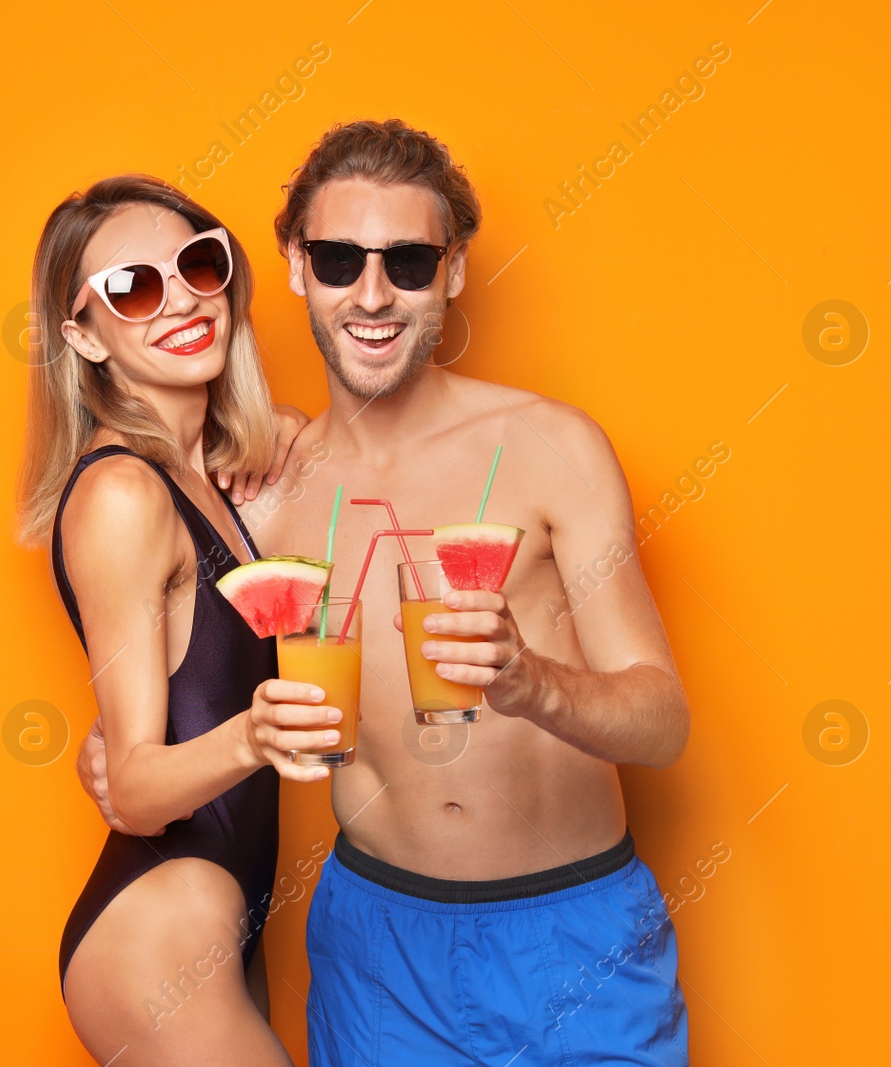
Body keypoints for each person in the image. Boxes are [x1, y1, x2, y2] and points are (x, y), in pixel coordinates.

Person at [78, 121, 693, 1065]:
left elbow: (663, 722)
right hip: (378, 952)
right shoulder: (265, 489)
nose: (372, 294)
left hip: (575, 934)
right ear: (294, 267)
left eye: (408, 261)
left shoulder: (553, 449)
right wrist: (119, 755)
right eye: (337, 258)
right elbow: (176, 663)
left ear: (450, 271)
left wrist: (534, 682)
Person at [16, 174, 341, 1066]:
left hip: (225, 909)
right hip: (158, 925)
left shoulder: (211, 473)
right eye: (133, 288)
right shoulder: (122, 490)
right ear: (81, 334)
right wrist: (255, 734)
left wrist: (282, 430)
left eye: (199, 265)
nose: (182, 302)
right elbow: (138, 786)